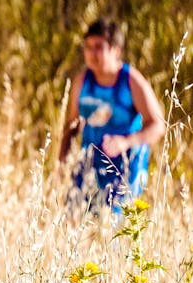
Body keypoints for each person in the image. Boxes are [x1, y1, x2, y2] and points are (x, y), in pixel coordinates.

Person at [58, 18, 165, 213]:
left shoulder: (131, 81)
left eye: (99, 46)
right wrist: (62, 160)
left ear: (116, 50)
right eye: (88, 47)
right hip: (90, 161)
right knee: (74, 217)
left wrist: (125, 142)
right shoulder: (82, 82)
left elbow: (158, 125)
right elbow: (71, 125)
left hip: (126, 166)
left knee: (112, 227)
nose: (92, 53)